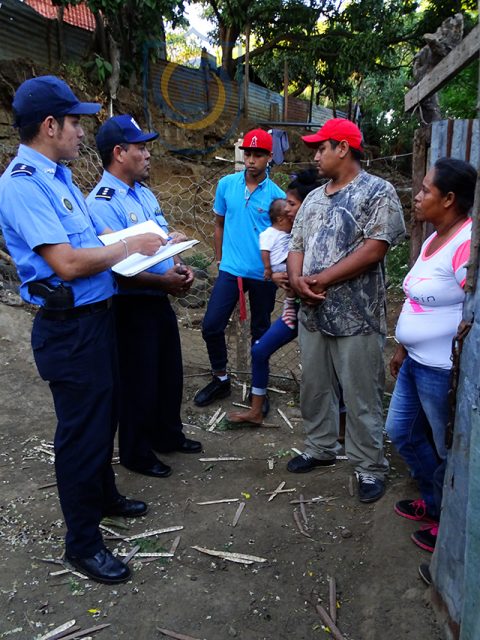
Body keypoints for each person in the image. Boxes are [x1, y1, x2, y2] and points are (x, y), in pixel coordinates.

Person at [0, 76, 165, 584]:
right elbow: (68, 263)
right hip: (69, 330)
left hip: (97, 319)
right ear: (50, 125)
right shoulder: (23, 184)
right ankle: (83, 544)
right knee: (81, 436)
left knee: (104, 418)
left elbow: (90, 240)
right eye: (74, 122)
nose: (81, 131)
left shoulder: (61, 177)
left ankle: (105, 496)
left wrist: (142, 239)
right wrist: (129, 247)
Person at [287, 118, 406, 503]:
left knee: (361, 392)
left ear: (343, 148)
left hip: (358, 316)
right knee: (315, 385)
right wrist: (298, 280)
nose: (315, 156)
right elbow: (296, 244)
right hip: (313, 312)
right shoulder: (313, 198)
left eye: (321, 148)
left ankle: (369, 465)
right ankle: (320, 446)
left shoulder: (378, 191)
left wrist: (320, 279)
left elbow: (375, 249)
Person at [86, 115, 202, 479]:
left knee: (168, 371)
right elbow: (118, 265)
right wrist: (163, 281)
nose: (149, 154)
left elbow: (163, 242)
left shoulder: (144, 193)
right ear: (119, 153)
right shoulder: (101, 203)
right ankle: (136, 452)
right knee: (138, 379)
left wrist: (179, 265)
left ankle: (167, 435)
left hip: (158, 295)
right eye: (141, 147)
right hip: (130, 303)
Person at [386, 157, 477, 552]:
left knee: (446, 448)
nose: (418, 196)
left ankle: (447, 521)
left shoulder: (465, 243)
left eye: (426, 190)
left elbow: (471, 305)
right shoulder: (433, 238)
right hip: (415, 362)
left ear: (450, 198)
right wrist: (403, 346)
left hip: (440, 370)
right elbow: (418, 300)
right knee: (401, 432)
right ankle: (433, 501)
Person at [194, 129, 285, 407]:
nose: (251, 160)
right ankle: (220, 379)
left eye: (258, 154)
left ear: (270, 157)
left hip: (262, 275)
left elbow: (281, 239)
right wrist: (220, 260)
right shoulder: (226, 185)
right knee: (211, 325)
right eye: (248, 154)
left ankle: (259, 390)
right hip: (231, 270)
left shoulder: (277, 197)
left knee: (261, 334)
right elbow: (219, 224)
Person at [228, 170, 322, 425]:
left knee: (325, 370)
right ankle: (256, 412)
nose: (286, 209)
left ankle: (341, 426)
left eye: (291, 204)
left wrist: (288, 278)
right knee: (260, 351)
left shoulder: (320, 236)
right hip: (293, 312)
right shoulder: (292, 235)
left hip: (318, 316)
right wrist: (279, 277)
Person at [259, 198, 290, 281]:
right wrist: (267, 268)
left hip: (285, 264)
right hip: (278, 265)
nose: (292, 223)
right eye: (289, 220)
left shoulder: (285, 233)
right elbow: (265, 250)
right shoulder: (269, 233)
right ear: (280, 220)